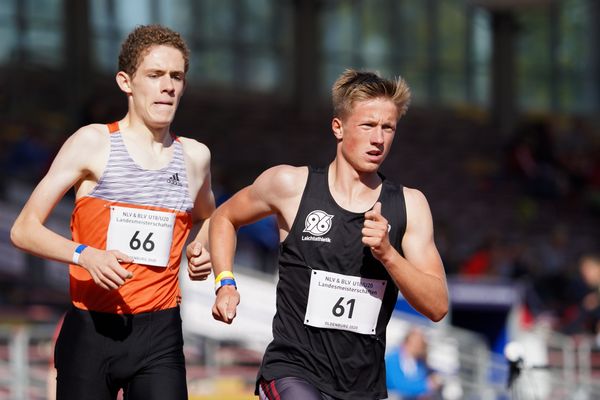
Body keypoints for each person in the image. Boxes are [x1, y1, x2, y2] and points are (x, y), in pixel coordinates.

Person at [208, 69, 449, 400]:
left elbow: (437, 305)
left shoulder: (410, 205)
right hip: (293, 371)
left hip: (362, 387)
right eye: (367, 125)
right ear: (338, 127)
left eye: (388, 127)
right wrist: (225, 282)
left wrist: (388, 254)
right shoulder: (291, 186)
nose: (378, 138)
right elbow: (224, 217)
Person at [10, 24, 215, 400]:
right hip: (92, 331)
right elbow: (23, 229)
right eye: (154, 75)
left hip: (160, 333)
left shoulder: (195, 156)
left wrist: (199, 248)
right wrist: (84, 255)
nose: (168, 86)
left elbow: (206, 216)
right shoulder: (93, 142)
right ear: (126, 82)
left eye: (176, 76)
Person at [385, 328, 443, 400]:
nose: (419, 347)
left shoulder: (419, 362)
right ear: (407, 342)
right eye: (416, 343)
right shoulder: (392, 358)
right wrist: (427, 385)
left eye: (421, 345)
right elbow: (400, 385)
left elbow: (422, 380)